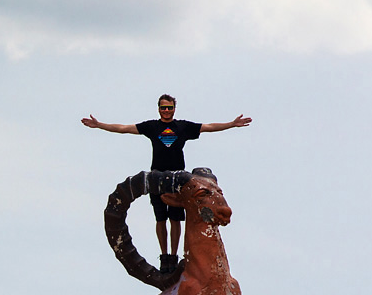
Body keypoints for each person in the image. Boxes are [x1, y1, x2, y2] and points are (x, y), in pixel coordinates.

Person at [82, 95, 251, 272]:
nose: (166, 111)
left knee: (175, 218)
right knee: (160, 218)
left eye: (169, 108)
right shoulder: (152, 127)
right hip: (157, 178)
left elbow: (208, 127)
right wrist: (99, 125)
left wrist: (232, 124)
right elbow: (124, 128)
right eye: (163, 108)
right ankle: (164, 256)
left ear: (174, 109)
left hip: (178, 179)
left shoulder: (182, 127)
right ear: (158, 109)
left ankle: (174, 255)